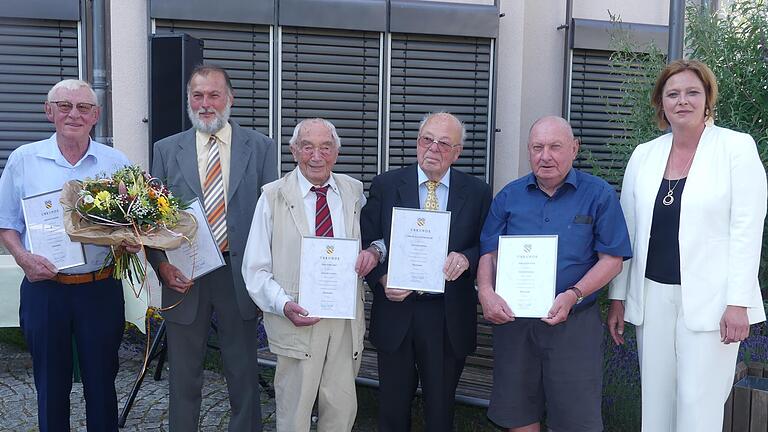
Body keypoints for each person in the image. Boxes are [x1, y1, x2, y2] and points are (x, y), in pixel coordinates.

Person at [606, 59, 767, 431]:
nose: (683, 101)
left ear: (707, 99)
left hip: (713, 304)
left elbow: (747, 228)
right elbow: (625, 232)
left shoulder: (736, 149)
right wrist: (619, 296)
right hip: (652, 295)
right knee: (656, 405)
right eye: (672, 94)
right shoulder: (643, 155)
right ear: (660, 104)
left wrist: (738, 303)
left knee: (699, 407)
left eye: (692, 92)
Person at [477, 116, 631, 432]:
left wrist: (573, 295)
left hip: (574, 325)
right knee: (519, 414)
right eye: (537, 147)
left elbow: (612, 259)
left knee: (575, 419)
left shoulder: (598, 194)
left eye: (555, 147)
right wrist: (485, 292)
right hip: (514, 324)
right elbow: (489, 253)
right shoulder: (509, 196)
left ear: (574, 149)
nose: (545, 155)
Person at [148, 65, 277, 431]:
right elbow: (152, 221)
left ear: (230, 99)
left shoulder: (261, 147)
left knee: (243, 374)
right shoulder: (165, 149)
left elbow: (271, 219)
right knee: (184, 378)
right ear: (189, 100)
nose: (206, 104)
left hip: (239, 276)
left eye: (214, 95)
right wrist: (161, 267)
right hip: (183, 276)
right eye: (198, 95)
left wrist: (266, 277)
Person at [0, 79, 134, 431]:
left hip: (99, 288)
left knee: (103, 383)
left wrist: (132, 240)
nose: (74, 114)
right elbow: (6, 223)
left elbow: (133, 223)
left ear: (96, 116)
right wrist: (22, 257)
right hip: (45, 289)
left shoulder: (116, 163)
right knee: (50, 384)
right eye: (64, 106)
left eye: (84, 108)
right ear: (49, 112)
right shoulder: (23, 160)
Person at [242, 118, 378, 431]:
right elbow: (255, 269)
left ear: (336, 153)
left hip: (343, 321)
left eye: (325, 147)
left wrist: (373, 252)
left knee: (341, 409)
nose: (316, 155)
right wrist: (283, 304)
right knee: (294, 410)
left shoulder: (354, 193)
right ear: (294, 151)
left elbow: (374, 240)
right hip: (296, 317)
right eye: (308, 147)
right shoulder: (273, 197)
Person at [360, 112, 492, 431]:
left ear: (457, 152)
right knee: (392, 407)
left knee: (440, 410)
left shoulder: (477, 192)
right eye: (426, 139)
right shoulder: (387, 185)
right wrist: (380, 277)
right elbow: (368, 241)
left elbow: (487, 244)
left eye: (444, 143)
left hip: (446, 316)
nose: (432, 148)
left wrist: (467, 258)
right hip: (397, 309)